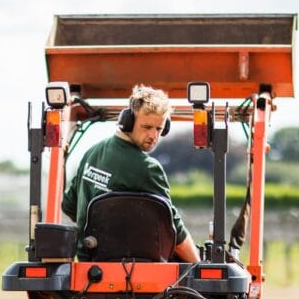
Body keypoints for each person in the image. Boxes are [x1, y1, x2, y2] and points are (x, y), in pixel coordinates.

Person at [61, 84, 200, 262]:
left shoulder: (92, 152)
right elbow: (173, 230)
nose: (153, 135)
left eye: (158, 129)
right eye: (147, 127)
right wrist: (198, 265)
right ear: (128, 122)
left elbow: (68, 205)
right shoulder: (148, 168)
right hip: (138, 268)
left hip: (89, 263)